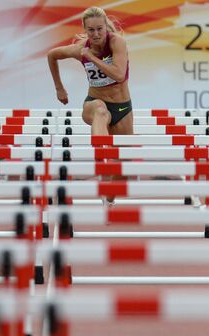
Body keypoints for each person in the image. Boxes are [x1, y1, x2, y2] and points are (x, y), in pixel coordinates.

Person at [47, 6, 133, 205]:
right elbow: (52, 55)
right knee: (101, 111)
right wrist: (59, 88)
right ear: (85, 30)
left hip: (122, 108)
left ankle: (108, 200)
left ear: (106, 28)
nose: (96, 34)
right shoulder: (79, 48)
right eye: (91, 30)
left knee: (125, 166)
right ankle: (100, 158)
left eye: (99, 29)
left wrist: (92, 58)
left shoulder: (117, 43)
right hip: (93, 104)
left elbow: (119, 75)